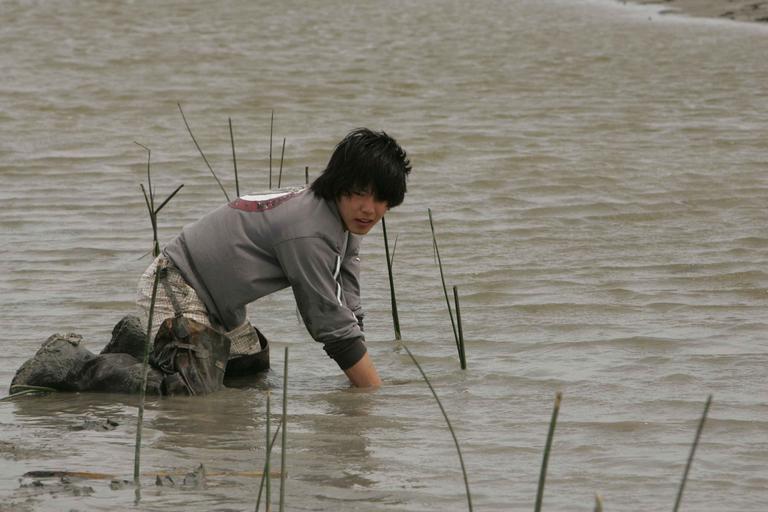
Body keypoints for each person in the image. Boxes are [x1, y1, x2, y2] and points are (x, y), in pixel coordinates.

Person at [136, 128, 411, 388]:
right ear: (339, 184)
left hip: (222, 306)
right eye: (360, 194)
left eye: (380, 199)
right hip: (175, 284)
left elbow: (347, 303)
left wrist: (359, 375)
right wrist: (372, 392)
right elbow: (329, 323)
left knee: (250, 379)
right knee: (191, 394)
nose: (369, 209)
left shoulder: (343, 220)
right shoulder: (309, 231)